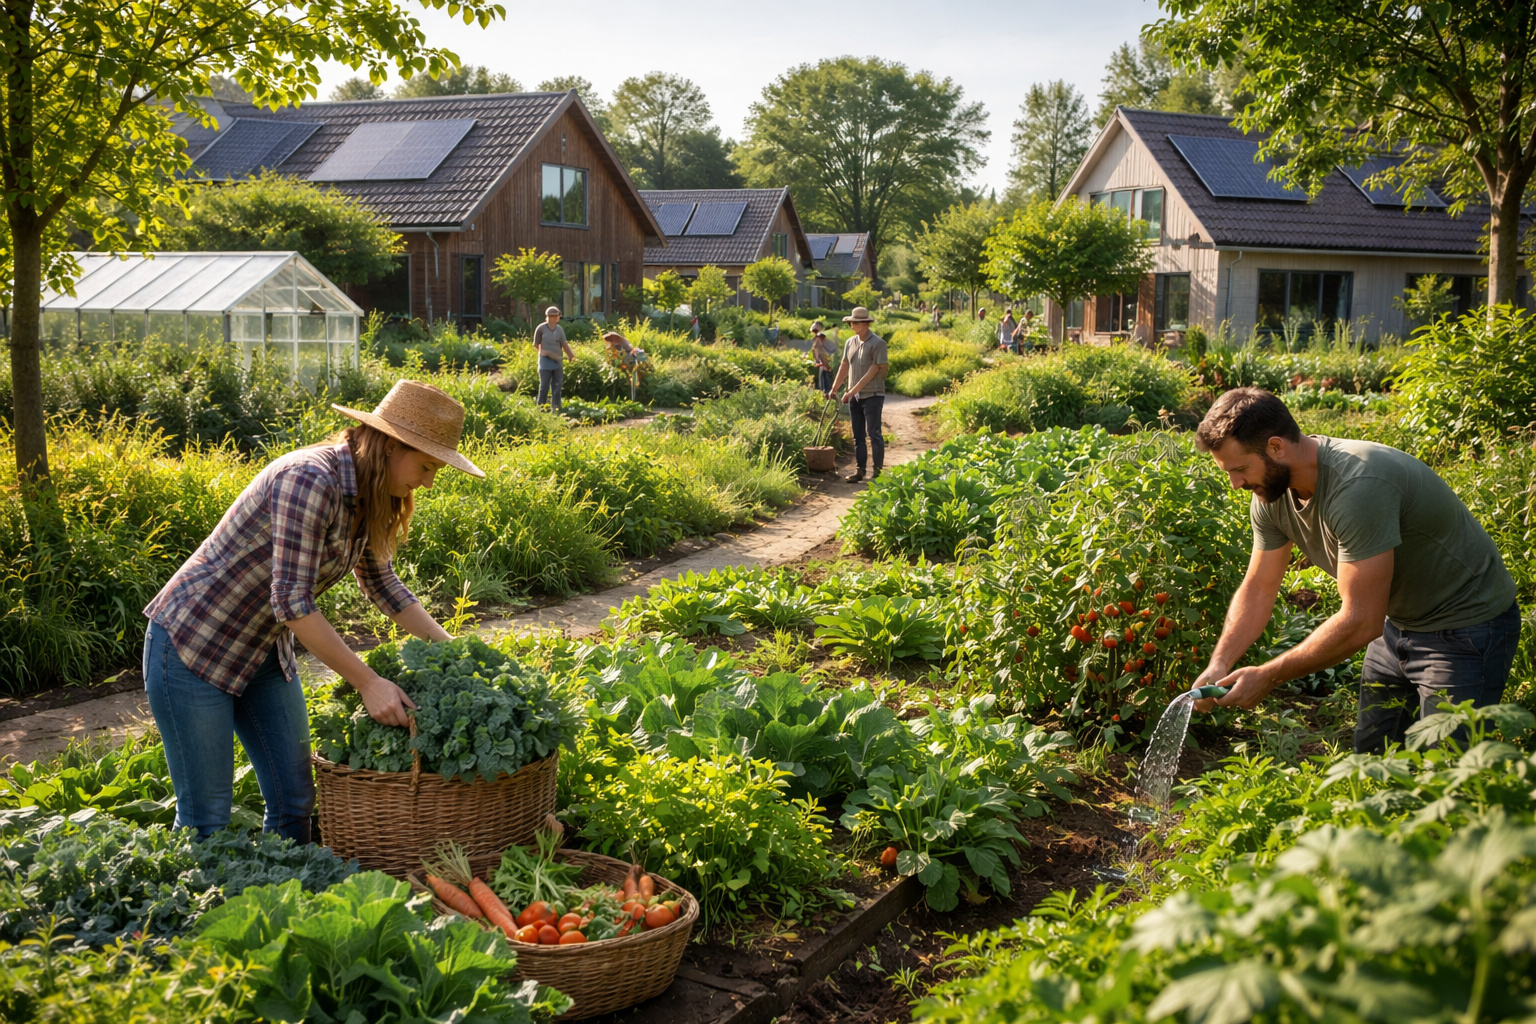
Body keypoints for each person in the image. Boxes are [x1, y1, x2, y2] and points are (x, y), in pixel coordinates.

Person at [141, 380, 484, 842]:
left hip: (262, 650)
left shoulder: (369, 491)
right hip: (193, 646)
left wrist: (458, 655)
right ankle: (197, 910)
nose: (426, 482)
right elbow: (292, 602)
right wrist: (368, 682)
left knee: (295, 801)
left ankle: (290, 903)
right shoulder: (309, 478)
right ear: (388, 446)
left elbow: (381, 583)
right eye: (425, 466)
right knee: (207, 816)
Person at [1191, 388, 1519, 753]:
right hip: (1395, 626)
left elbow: (1361, 621)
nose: (1236, 484)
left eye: (1240, 469)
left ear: (1276, 447)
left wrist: (1269, 676)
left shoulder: (1358, 486)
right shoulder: (1272, 493)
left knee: (1449, 771)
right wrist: (1220, 662)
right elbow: (1259, 588)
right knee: (1373, 760)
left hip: (1466, 627)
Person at [826, 306, 888, 483]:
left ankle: (877, 472)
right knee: (858, 435)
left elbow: (873, 370)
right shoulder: (850, 343)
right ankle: (860, 471)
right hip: (854, 396)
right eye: (851, 323)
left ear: (865, 324)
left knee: (874, 432)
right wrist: (835, 388)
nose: (851, 326)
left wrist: (852, 391)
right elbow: (844, 366)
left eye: (854, 323)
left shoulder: (878, 344)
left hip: (872, 395)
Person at [534, 306, 575, 412]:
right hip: (545, 363)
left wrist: (570, 355)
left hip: (557, 362)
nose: (558, 318)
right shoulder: (541, 328)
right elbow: (536, 345)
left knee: (557, 386)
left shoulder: (559, 329)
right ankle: (541, 408)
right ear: (550, 317)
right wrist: (545, 353)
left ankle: (556, 407)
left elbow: (564, 344)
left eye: (558, 315)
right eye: (556, 316)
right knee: (544, 386)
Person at [810, 320, 834, 394]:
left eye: (816, 327)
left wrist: (823, 363)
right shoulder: (817, 338)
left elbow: (822, 351)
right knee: (823, 385)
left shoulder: (821, 337)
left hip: (824, 364)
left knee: (825, 386)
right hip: (822, 364)